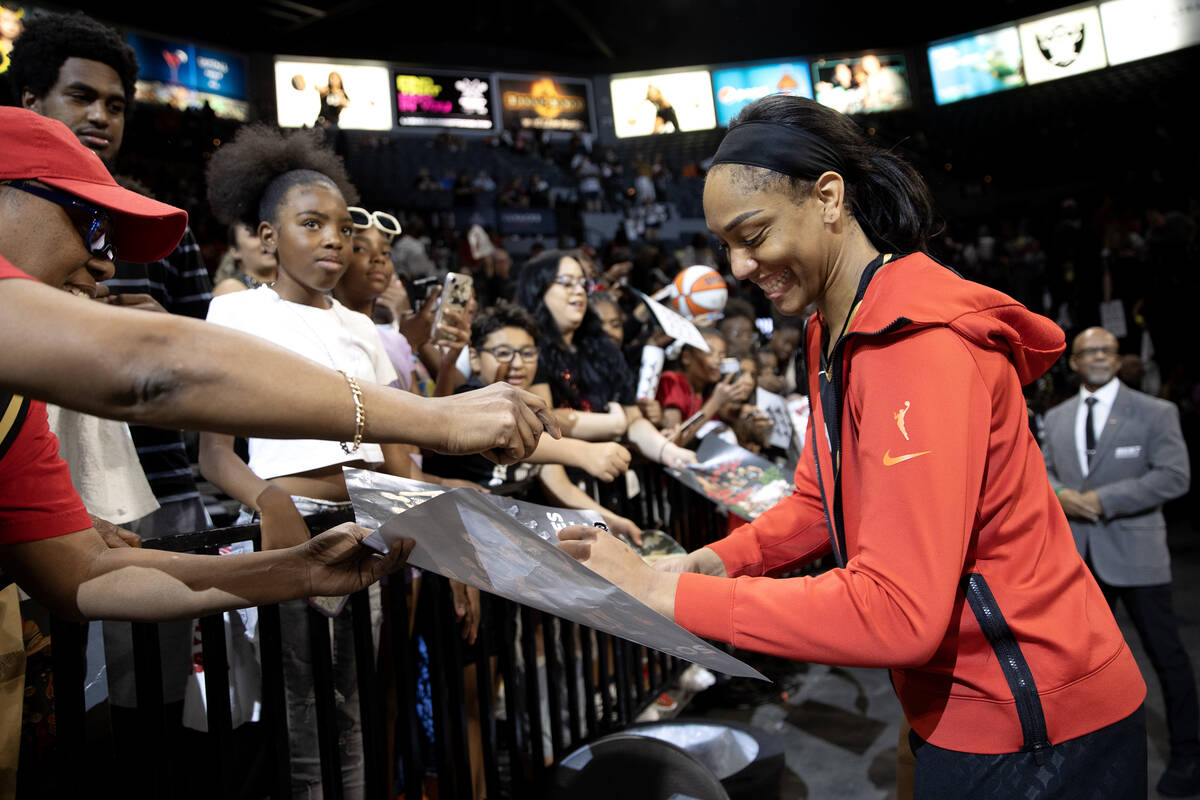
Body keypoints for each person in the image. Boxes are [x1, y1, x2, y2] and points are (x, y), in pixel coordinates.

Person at [557, 95, 1147, 797]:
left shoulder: (916, 342)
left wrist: (665, 592)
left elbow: (898, 612)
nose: (738, 267)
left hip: (1042, 722)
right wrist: (712, 562)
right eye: (724, 246)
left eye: (752, 234)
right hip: (973, 709)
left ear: (828, 198)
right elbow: (816, 502)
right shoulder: (828, 329)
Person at [0, 106, 557, 623]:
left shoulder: (16, 411)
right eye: (90, 225)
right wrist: (440, 419)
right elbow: (152, 368)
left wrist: (293, 570)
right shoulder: (236, 310)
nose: (104, 262)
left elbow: (84, 576)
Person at [1042, 326, 1197, 796]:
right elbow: (1043, 470)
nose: (1097, 357)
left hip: (1137, 555)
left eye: (1106, 350)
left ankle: (1189, 757)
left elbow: (1174, 477)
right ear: (1073, 361)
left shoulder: (1156, 412)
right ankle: (1083, 757)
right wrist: (1064, 495)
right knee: (1077, 663)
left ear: (1120, 357)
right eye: (1087, 351)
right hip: (1079, 560)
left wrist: (1102, 500)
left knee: (1166, 658)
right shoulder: (1058, 416)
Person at [516, 250, 694, 468]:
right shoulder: (527, 348)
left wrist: (667, 451)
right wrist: (613, 424)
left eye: (582, 283)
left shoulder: (603, 347)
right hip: (557, 474)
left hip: (610, 476)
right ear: (538, 288)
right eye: (566, 282)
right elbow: (545, 417)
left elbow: (634, 419)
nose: (579, 291)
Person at [212, 222, 278, 296]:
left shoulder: (289, 284)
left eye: (269, 233)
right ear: (235, 251)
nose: (267, 240)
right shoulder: (231, 289)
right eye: (254, 235)